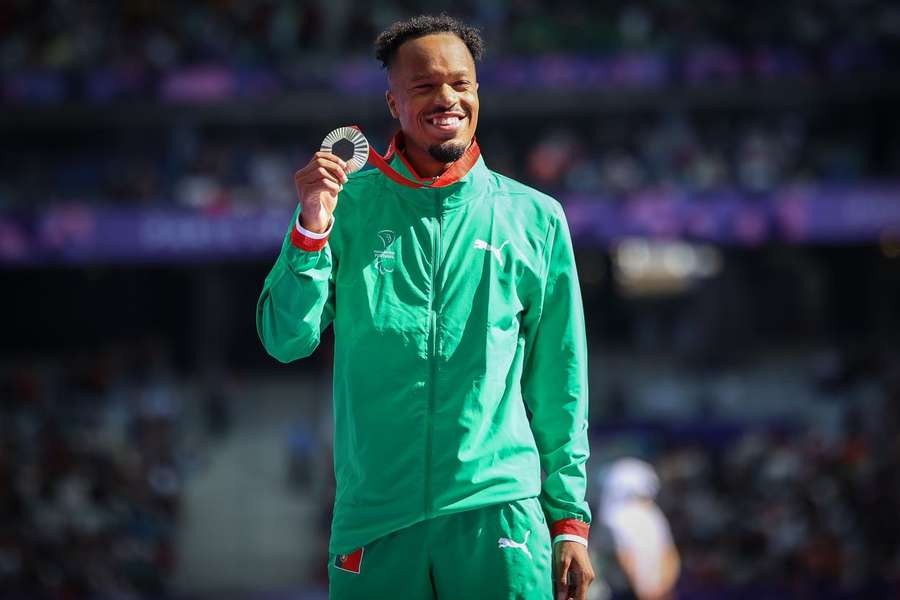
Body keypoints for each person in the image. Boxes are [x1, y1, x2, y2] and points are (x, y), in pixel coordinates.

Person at [257, 14, 593, 600]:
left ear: (478, 92)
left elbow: (560, 381)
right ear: (393, 102)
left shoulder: (535, 218)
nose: (447, 99)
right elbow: (286, 338)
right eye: (424, 87)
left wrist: (569, 520)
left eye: (460, 84)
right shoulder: (344, 206)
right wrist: (310, 228)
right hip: (376, 517)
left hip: (499, 510)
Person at [595, 459, 680, 600]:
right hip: (654, 592)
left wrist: (646, 593)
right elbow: (670, 556)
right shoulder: (655, 515)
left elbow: (626, 559)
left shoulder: (613, 517)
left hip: (630, 593)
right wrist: (661, 589)